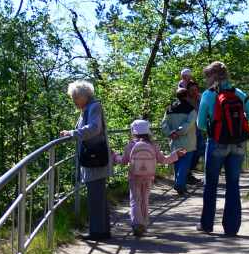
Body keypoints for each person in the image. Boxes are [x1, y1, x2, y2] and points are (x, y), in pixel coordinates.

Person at [194, 61, 249, 236]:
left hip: (216, 143)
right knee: (233, 184)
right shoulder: (237, 93)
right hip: (238, 144)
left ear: (211, 76)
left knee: (211, 185)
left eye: (206, 76)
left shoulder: (208, 95)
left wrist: (215, 123)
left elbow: (200, 124)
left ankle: (206, 225)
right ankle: (231, 228)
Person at [112, 119, 186, 237]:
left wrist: (114, 156)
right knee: (145, 200)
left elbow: (124, 161)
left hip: (134, 177)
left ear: (133, 132)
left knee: (135, 200)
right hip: (148, 177)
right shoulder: (153, 145)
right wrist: (176, 154)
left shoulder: (131, 145)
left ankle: (137, 224)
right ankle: (144, 223)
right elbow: (163, 160)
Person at [60, 80, 112, 241]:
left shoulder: (93, 107)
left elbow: (95, 128)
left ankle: (97, 233)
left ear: (84, 96)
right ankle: (102, 230)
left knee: (95, 196)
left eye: (75, 97)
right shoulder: (87, 109)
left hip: (94, 158)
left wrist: (72, 133)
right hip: (94, 158)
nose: (73, 100)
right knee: (98, 195)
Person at [160, 86, 198, 196]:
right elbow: (189, 124)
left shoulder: (169, 109)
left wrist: (171, 133)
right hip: (187, 141)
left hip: (174, 141)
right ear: (186, 96)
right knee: (185, 164)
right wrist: (178, 132)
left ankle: (180, 184)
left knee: (177, 163)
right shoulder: (191, 109)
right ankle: (180, 185)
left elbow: (163, 124)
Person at [185, 80, 204, 184]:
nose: (194, 92)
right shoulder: (185, 100)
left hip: (198, 128)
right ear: (188, 91)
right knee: (190, 151)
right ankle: (187, 174)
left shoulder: (200, 99)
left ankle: (189, 172)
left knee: (199, 150)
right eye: (192, 90)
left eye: (196, 90)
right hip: (188, 129)